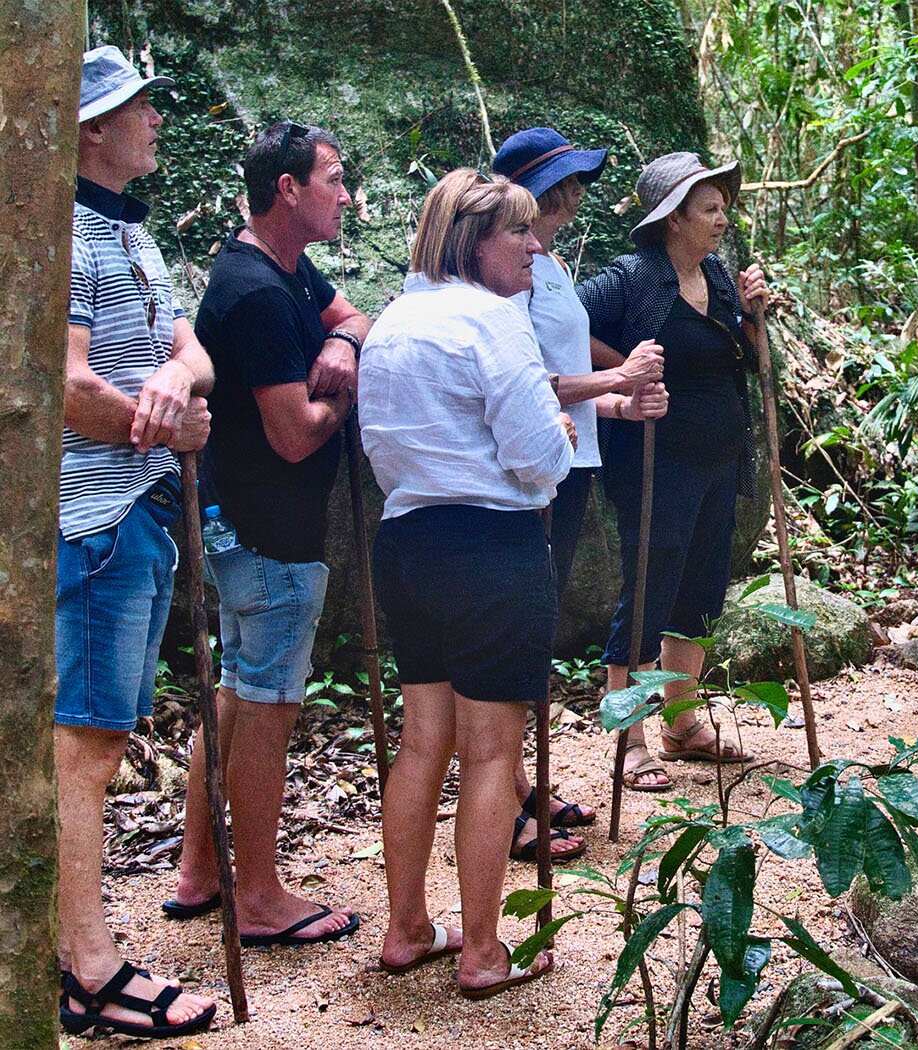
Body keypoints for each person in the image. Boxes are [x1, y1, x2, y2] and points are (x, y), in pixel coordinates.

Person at [360, 168, 575, 998]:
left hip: (408, 542)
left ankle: (407, 926)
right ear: (474, 243)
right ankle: (483, 950)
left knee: (422, 742)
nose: (532, 247)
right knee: (490, 750)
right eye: (517, 231)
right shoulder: (493, 321)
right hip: (489, 547)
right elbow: (535, 456)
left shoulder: (392, 322)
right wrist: (559, 439)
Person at [166, 121, 368, 949]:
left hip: (247, 524)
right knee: (267, 709)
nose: (346, 195)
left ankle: (199, 871)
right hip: (267, 531)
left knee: (238, 694)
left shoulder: (282, 265)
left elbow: (353, 316)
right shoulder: (253, 291)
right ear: (288, 189)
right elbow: (292, 434)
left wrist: (343, 344)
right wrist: (343, 400)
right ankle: (258, 895)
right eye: (333, 179)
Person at [57, 45, 217, 1038]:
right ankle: (89, 969)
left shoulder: (132, 231)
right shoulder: (64, 235)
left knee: (102, 736)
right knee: (86, 744)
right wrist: (167, 425)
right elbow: (65, 388)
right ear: (90, 131)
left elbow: (189, 345)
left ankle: (81, 952)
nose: (155, 119)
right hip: (94, 521)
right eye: (137, 107)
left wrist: (176, 379)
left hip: (141, 512)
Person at [491, 127, 669, 858]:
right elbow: (525, 379)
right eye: (564, 182)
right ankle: (503, 798)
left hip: (572, 459)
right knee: (516, 630)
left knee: (535, 624)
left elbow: (568, 363)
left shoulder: (552, 265)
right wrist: (616, 378)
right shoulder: (507, 273)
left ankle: (521, 782)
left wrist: (621, 401)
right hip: (533, 465)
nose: (576, 193)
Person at [577, 152, 769, 792]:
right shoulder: (632, 277)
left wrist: (753, 317)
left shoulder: (716, 275)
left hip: (718, 462)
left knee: (700, 589)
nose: (722, 219)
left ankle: (681, 724)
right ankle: (628, 737)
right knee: (648, 588)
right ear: (673, 218)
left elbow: (749, 362)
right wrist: (623, 372)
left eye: (722, 207)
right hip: (655, 461)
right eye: (709, 208)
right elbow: (562, 327)